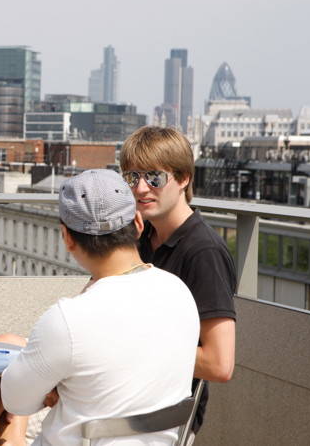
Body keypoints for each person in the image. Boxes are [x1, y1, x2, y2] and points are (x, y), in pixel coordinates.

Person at [1, 169, 200, 445]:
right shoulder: (180, 293)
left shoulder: (68, 319)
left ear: (67, 238)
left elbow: (15, 400)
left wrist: (55, 387)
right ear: (138, 223)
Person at [120, 126, 237, 439]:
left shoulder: (203, 251)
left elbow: (219, 364)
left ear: (184, 178)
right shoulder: (141, 237)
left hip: (164, 415)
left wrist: (130, 345)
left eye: (154, 177)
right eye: (132, 177)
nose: (141, 188)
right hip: (124, 394)